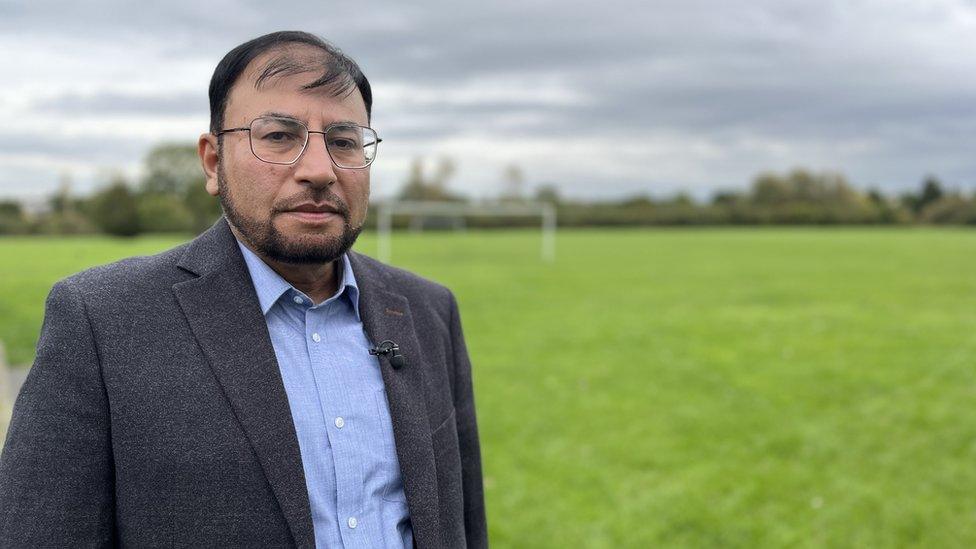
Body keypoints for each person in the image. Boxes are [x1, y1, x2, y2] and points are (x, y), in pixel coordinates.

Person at [0, 31, 486, 548]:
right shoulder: (103, 320)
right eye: (278, 136)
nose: (319, 170)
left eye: (344, 141)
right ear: (213, 162)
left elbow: (464, 524)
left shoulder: (428, 311)